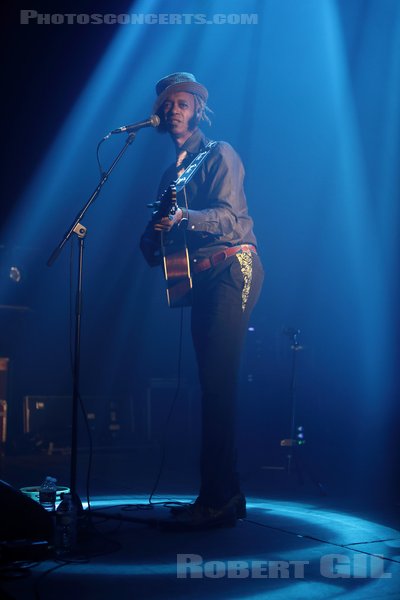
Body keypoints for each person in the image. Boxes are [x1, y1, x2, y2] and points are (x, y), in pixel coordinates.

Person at [140, 72, 264, 530]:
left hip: (236, 266)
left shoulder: (219, 153)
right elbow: (153, 248)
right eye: (167, 104)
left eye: (181, 103)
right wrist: (152, 238)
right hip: (199, 280)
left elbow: (230, 219)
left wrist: (182, 216)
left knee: (217, 383)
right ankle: (223, 494)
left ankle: (220, 496)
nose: (172, 109)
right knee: (211, 386)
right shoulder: (169, 174)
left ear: (197, 109)